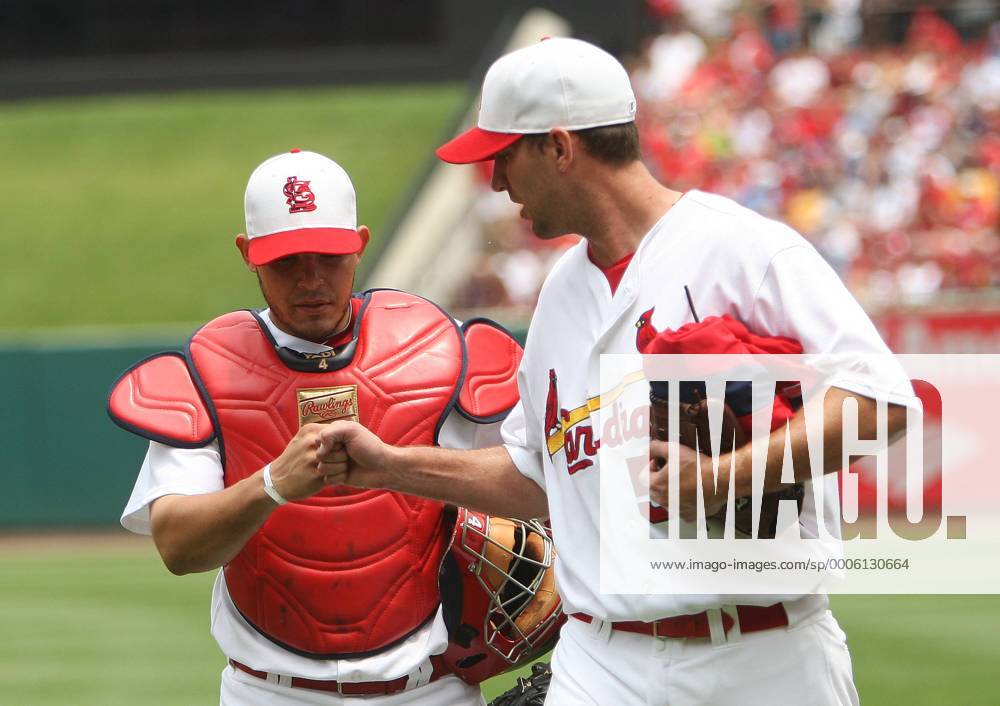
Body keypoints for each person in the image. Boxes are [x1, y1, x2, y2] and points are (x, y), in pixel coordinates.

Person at [316, 38, 917, 705]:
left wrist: (722, 477)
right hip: (602, 660)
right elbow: (533, 474)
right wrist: (386, 465)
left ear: (559, 147)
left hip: (766, 655)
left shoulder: (743, 250)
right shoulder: (559, 296)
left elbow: (883, 403)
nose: (494, 181)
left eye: (503, 155)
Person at [109, 149, 561, 704]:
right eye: (286, 260)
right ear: (247, 254)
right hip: (269, 693)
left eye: (329, 256)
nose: (310, 278)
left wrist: (400, 468)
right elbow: (178, 546)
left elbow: (535, 482)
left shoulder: (440, 350)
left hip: (429, 688)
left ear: (361, 244)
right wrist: (274, 483)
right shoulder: (209, 370)